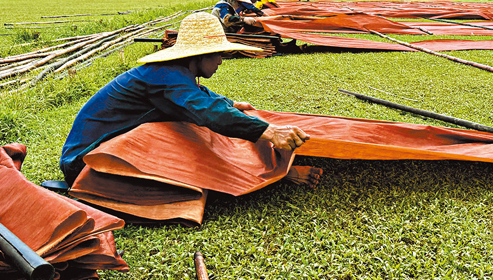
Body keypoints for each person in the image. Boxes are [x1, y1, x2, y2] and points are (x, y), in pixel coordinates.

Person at [59, 12, 315, 186]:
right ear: (199, 55)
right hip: (84, 162)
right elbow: (208, 112)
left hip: (95, 152)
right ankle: (266, 174)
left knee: (194, 123)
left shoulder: (174, 74)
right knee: (189, 131)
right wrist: (270, 131)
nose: (220, 60)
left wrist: (231, 104)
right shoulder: (167, 77)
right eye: (216, 54)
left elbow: (200, 96)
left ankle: (263, 168)